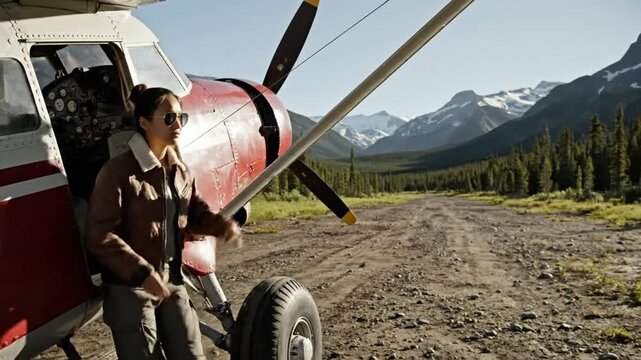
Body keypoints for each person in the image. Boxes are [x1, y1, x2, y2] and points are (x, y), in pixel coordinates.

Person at [87, 84, 241, 359]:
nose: (178, 124)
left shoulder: (180, 171)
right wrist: (143, 274)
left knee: (193, 353)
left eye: (181, 117)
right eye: (169, 118)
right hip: (129, 287)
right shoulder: (117, 173)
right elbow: (101, 235)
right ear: (144, 123)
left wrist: (220, 226)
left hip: (171, 280)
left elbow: (194, 214)